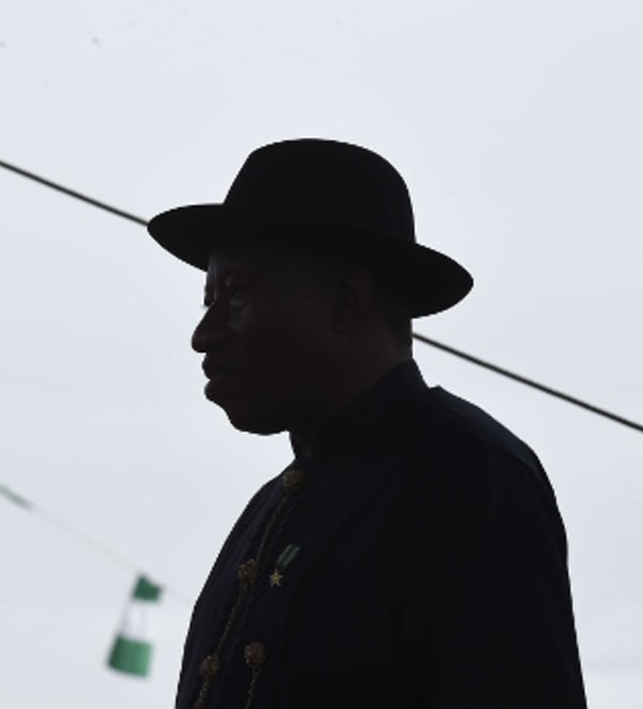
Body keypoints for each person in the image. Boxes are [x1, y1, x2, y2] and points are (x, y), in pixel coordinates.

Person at [147, 139, 588, 708]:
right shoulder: (267, 513)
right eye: (207, 300)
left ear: (346, 299)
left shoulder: (470, 476)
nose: (203, 335)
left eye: (233, 296)